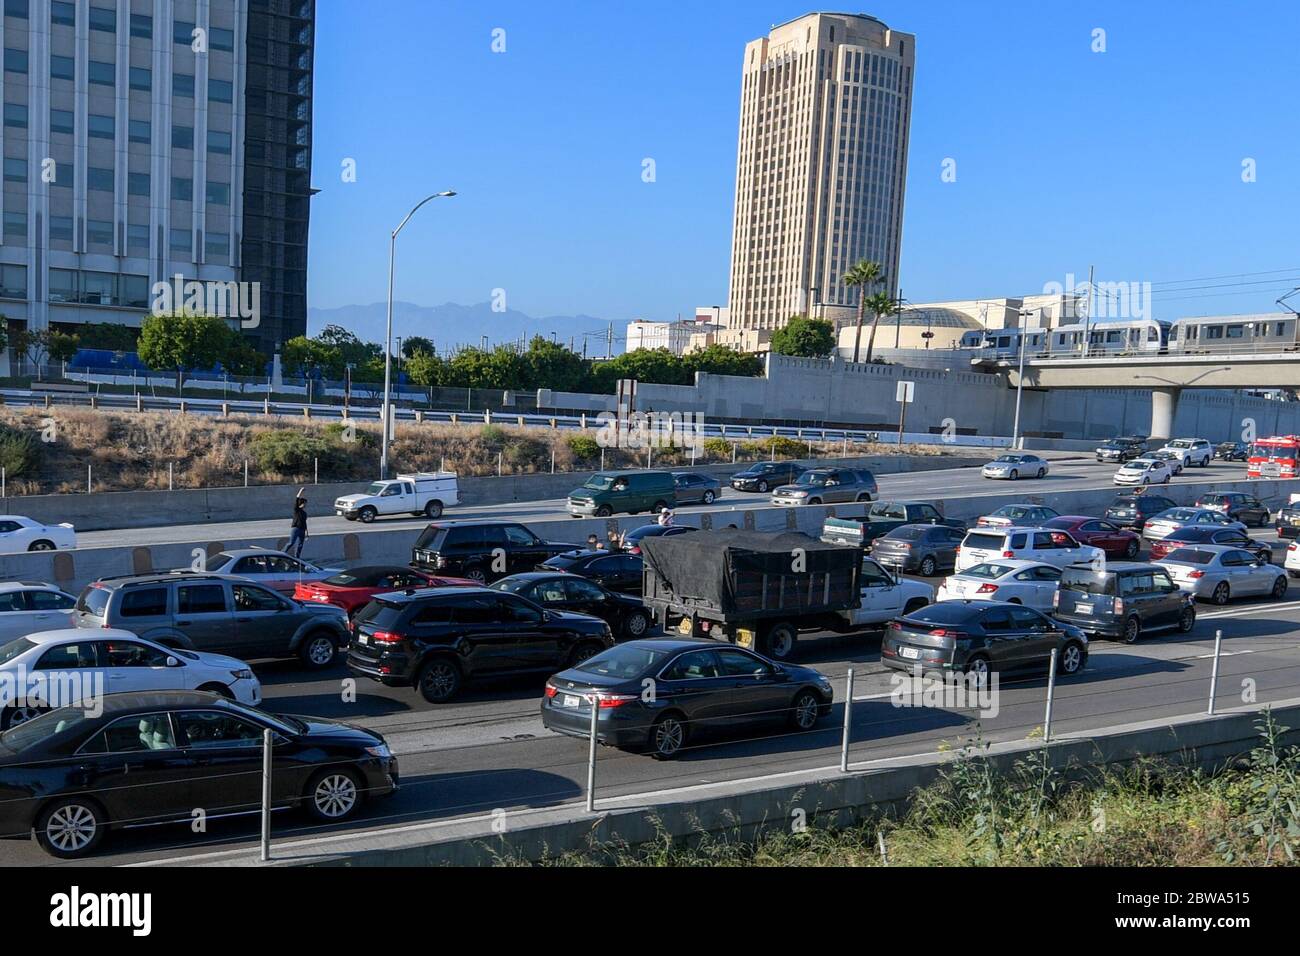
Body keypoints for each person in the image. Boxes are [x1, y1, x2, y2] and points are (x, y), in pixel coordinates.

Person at [288, 489, 308, 558]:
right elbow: (297, 498)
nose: (306, 505)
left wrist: (306, 533)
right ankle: (282, 553)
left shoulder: (304, 513)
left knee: (300, 544)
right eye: (305, 503)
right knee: (291, 543)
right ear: (301, 503)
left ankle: (297, 557)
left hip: (302, 530)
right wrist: (301, 491)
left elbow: (305, 522)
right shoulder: (296, 509)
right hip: (296, 528)